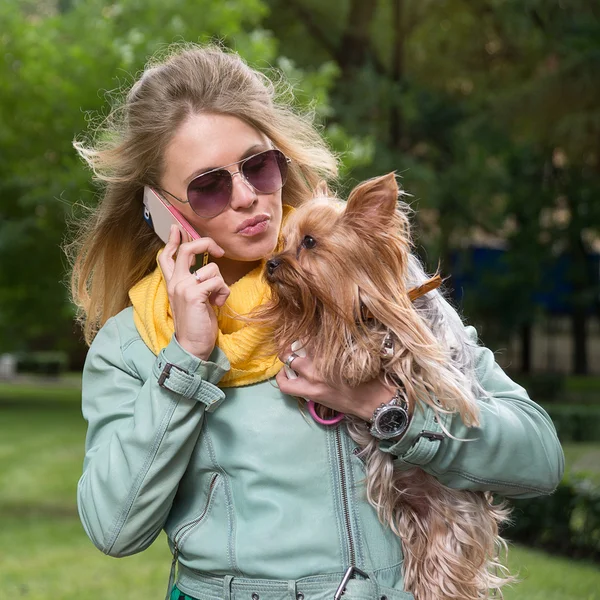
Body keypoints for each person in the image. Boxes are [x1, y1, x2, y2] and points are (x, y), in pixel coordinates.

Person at [70, 44, 564, 600]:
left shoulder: (379, 285)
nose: (248, 197)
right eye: (208, 186)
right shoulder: (134, 344)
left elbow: (539, 459)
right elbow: (114, 529)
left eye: (259, 165)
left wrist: (386, 407)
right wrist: (187, 357)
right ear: (162, 208)